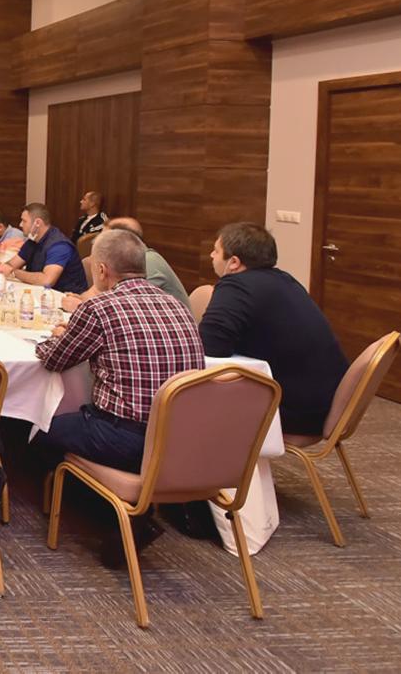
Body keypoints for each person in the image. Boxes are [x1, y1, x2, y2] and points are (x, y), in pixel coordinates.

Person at [34, 228, 206, 561]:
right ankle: (123, 512)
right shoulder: (177, 304)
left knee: (38, 428)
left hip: (126, 438)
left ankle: (113, 516)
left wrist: (54, 337)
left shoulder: (100, 308)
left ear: (101, 270)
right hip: (180, 438)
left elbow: (55, 360)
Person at [200, 222, 349, 436]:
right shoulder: (285, 280)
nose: (211, 255)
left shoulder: (236, 286)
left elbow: (210, 347)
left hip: (295, 412)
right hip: (327, 402)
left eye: (216, 250)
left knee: (186, 403)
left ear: (233, 262)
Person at [61, 217, 189, 313]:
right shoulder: (118, 260)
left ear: (124, 241)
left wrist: (81, 307)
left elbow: (127, 307)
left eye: (105, 238)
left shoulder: (147, 261)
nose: (100, 242)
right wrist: (82, 299)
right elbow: (99, 291)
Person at [0, 203, 89, 294]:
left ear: (37, 223)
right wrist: (2, 267)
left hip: (67, 298)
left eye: (24, 221)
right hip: (41, 293)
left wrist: (13, 272)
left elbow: (47, 280)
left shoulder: (59, 246)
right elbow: (12, 264)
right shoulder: (32, 241)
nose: (20, 225)